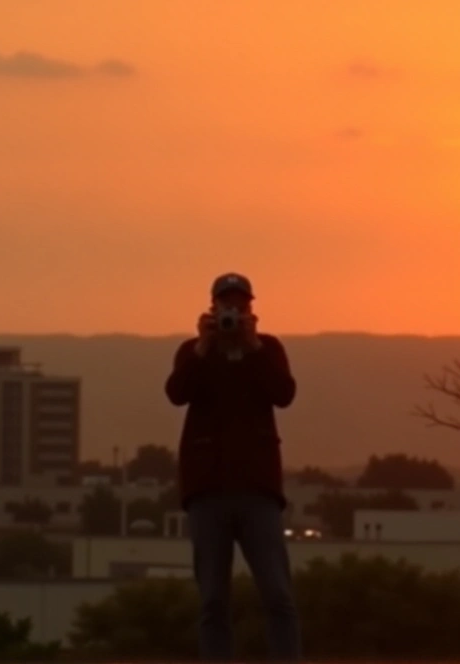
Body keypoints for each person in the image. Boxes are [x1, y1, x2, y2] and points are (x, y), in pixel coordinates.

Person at [164, 272, 301, 661]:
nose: (232, 312)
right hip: (208, 489)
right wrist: (204, 347)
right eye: (226, 305)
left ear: (251, 309)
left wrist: (253, 345)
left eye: (240, 306)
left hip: (258, 490)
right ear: (212, 307)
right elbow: (177, 393)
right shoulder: (193, 351)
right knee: (212, 599)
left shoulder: (268, 349)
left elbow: (283, 394)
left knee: (277, 593)